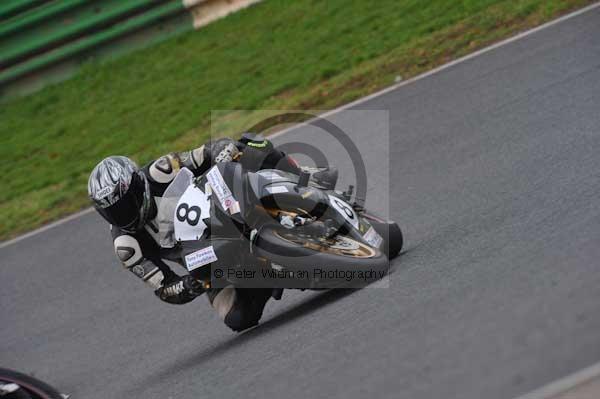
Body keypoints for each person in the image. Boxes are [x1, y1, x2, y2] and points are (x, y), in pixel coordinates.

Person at [87, 133, 337, 332]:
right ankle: (268, 275)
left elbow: (211, 150)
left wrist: (223, 154)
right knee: (238, 318)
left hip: (222, 205)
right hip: (208, 262)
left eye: (124, 204)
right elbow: (165, 288)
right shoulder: (127, 246)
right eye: (112, 212)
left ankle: (305, 177)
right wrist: (192, 285)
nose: (122, 215)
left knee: (248, 144)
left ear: (137, 184)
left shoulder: (160, 171)